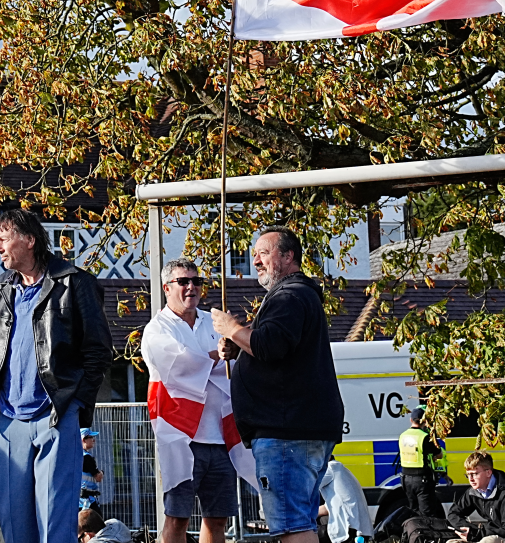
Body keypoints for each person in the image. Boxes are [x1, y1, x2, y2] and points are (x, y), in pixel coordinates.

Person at [0, 208, 114, 543]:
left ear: (29, 240)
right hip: (8, 420)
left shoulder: (75, 283)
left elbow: (98, 350)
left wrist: (76, 403)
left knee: (55, 519)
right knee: (14, 521)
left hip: (56, 415)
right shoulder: (0, 288)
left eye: (3, 239)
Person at [211, 226, 345, 543]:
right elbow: (275, 349)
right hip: (297, 429)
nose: (256, 261)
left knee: (291, 526)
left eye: (263, 253)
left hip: (286, 432)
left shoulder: (289, 297)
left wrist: (232, 329)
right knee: (300, 522)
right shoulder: (297, 296)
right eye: (254, 254)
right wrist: (240, 346)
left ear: (288, 256)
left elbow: (269, 345)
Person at [141, 257, 243, 543]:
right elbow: (179, 366)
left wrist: (235, 345)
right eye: (183, 281)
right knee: (178, 518)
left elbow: (235, 365)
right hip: (181, 438)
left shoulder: (216, 323)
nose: (191, 287)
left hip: (221, 437)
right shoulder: (157, 329)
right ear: (166, 287)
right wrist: (217, 355)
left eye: (196, 281)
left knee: (218, 518)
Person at [446, 451, 505, 543]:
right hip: (489, 535)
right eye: (468, 474)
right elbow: (453, 514)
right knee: (451, 542)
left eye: (475, 474)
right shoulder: (473, 492)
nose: (471, 479)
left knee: (489, 541)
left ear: (488, 473)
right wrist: (469, 530)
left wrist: (478, 533)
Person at [399, 405, 447, 519]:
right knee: (427, 514)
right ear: (424, 421)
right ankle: (426, 530)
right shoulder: (424, 437)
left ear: (411, 420)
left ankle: (415, 529)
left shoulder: (403, 435)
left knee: (414, 511)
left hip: (406, 479)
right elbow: (439, 454)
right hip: (421, 480)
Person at [318, 459, 373, 543]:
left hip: (349, 530)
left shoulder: (330, 468)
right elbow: (329, 508)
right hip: (360, 531)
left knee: (305, 530)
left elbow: (306, 487)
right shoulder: (340, 470)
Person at [81, 428, 104, 513]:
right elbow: (98, 478)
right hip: (87, 500)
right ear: (84, 440)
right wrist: (101, 472)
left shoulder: (74, 455)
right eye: (91, 437)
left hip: (76, 500)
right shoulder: (86, 457)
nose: (93, 440)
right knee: (97, 520)